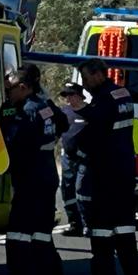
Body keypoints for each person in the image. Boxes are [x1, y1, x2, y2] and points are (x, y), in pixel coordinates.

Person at [74, 58, 138, 275]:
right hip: (123, 172)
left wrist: (78, 108)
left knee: (101, 233)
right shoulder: (122, 93)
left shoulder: (105, 98)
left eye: (86, 78)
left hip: (106, 175)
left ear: (98, 75)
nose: (85, 85)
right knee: (125, 233)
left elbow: (98, 124)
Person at [0, 64, 68, 275]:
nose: (7, 94)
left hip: (30, 178)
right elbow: (63, 124)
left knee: (18, 234)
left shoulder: (26, 111)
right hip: (47, 175)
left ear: (23, 87)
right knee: (41, 233)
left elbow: (14, 141)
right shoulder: (45, 105)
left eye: (10, 90)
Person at [57, 82, 88, 237]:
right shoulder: (64, 112)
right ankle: (74, 223)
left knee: (82, 190)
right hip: (68, 158)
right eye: (66, 96)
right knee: (67, 190)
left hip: (85, 160)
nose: (68, 99)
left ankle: (87, 223)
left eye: (71, 95)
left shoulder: (90, 112)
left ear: (79, 95)